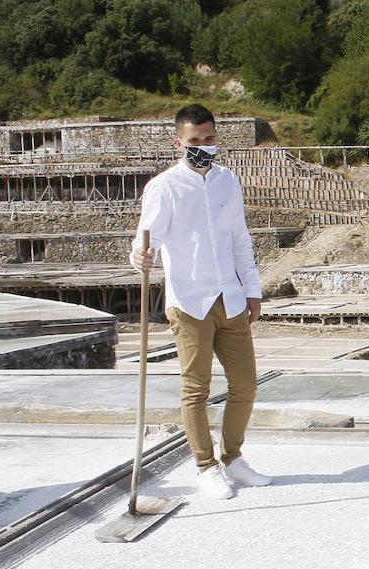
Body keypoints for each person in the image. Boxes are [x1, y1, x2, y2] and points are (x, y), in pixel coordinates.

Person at [130, 104, 271, 500]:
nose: (203, 147)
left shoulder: (229, 181)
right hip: (189, 300)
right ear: (179, 143)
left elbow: (240, 240)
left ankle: (233, 458)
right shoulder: (164, 187)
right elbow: (146, 240)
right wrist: (139, 257)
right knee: (196, 388)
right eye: (194, 141)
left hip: (231, 296)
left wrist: (253, 289)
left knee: (245, 384)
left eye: (209, 140)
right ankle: (205, 466)